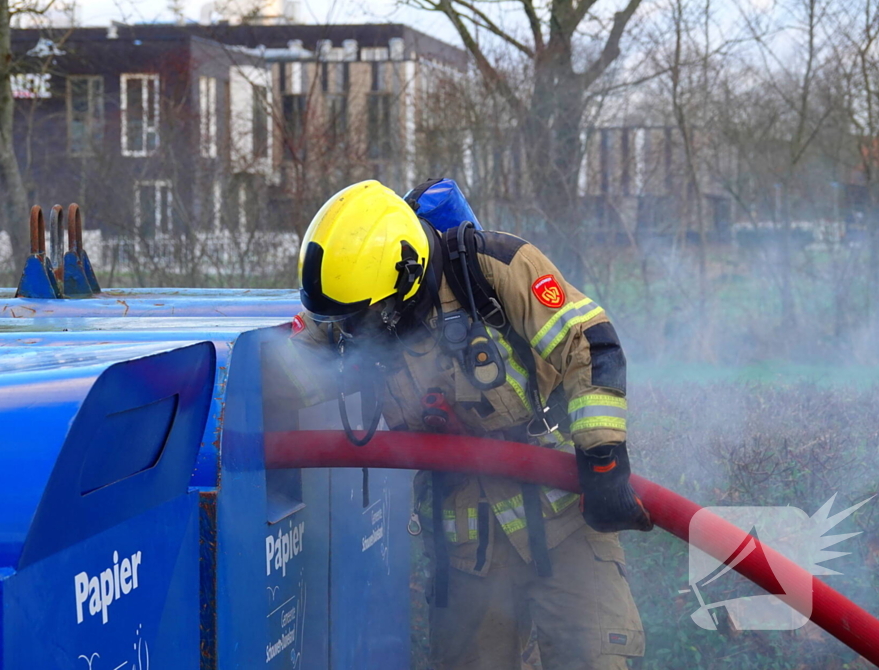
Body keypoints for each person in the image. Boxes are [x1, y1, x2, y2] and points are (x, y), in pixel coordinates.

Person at [270, 179, 651, 669]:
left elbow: (589, 343)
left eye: (362, 319)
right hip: (466, 545)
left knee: (594, 659)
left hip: (563, 518)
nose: (353, 334)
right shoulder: (356, 304)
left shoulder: (493, 268)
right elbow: (289, 379)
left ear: (406, 276)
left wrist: (603, 460)